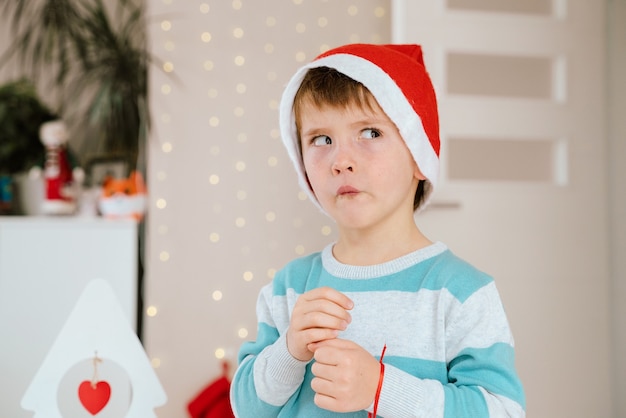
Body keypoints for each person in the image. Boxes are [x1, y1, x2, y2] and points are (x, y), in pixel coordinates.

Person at [230, 43, 526, 417]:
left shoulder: (462, 293)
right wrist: (288, 351)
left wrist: (381, 388)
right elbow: (246, 409)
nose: (341, 160)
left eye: (370, 133)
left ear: (419, 156)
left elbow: (501, 411)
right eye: (321, 139)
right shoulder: (290, 289)